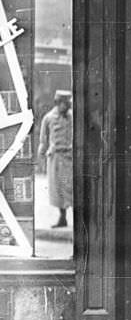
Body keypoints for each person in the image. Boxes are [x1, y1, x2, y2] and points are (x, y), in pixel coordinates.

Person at [39, 90, 72, 228]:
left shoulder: (72, 117)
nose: (68, 106)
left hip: (70, 157)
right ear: (58, 103)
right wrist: (41, 155)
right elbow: (43, 139)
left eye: (69, 103)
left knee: (71, 187)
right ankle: (62, 218)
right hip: (55, 157)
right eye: (65, 104)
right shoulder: (48, 118)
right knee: (58, 189)